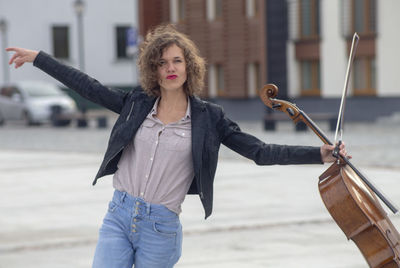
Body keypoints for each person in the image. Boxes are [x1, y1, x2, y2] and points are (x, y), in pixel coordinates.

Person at [6, 24, 348, 268]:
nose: (170, 68)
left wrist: (319, 153)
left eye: (177, 61)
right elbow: (88, 87)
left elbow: (259, 151)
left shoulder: (208, 118)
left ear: (189, 67)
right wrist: (39, 58)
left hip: (161, 228)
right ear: (152, 69)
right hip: (119, 216)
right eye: (162, 62)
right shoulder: (136, 104)